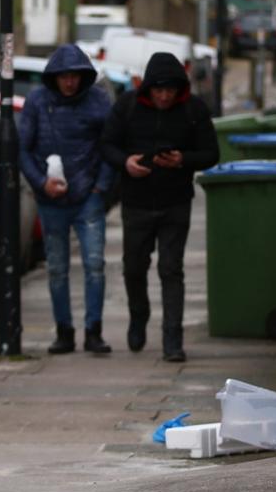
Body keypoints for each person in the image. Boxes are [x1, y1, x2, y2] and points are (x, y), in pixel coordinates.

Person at [101, 52, 218, 361]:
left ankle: (172, 339)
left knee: (171, 269)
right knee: (133, 267)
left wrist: (183, 160)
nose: (165, 96)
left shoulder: (193, 109)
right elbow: (107, 144)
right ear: (148, 88)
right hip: (136, 202)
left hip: (176, 202)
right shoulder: (127, 106)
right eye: (158, 90)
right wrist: (125, 163)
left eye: (170, 90)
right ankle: (139, 315)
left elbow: (211, 153)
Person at [18, 43, 115, 355]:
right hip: (51, 199)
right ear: (54, 77)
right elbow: (22, 149)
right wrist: (40, 183)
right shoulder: (36, 102)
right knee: (57, 268)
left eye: (75, 76)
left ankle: (93, 331)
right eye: (64, 76)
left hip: (88, 196)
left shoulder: (99, 101)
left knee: (94, 264)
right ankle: (64, 331)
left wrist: (100, 187)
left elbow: (110, 146)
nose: (70, 82)